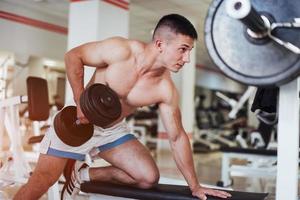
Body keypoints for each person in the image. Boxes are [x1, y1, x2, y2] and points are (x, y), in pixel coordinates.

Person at [14, 14, 231, 200]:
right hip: (78, 122)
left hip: (112, 131)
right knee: (40, 183)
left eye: (189, 51)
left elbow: (177, 138)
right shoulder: (120, 51)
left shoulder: (165, 89)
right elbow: (73, 57)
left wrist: (195, 186)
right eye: (183, 50)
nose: (187, 59)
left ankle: (81, 174)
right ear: (159, 44)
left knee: (147, 178)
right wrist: (80, 102)